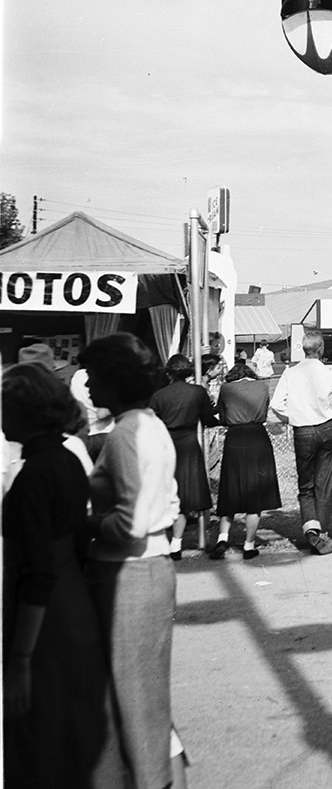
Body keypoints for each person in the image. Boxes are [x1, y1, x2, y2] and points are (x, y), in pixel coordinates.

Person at [2, 362, 121, 789]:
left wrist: (19, 659)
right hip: (72, 606)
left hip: (44, 617)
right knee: (74, 730)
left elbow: (37, 571)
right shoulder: (66, 459)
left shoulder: (34, 474)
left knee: (43, 740)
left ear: (24, 412)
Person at [80, 333, 188, 789]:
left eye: (94, 379)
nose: (86, 388)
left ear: (116, 381)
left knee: (135, 701)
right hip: (147, 569)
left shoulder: (128, 434)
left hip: (130, 574)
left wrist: (83, 521)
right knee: (146, 701)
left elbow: (131, 524)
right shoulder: (145, 425)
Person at [271, 331, 332, 556]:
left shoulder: (290, 373)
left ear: (303, 349)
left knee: (306, 484)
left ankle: (311, 528)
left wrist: (292, 417)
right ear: (322, 348)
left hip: (302, 431)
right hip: (326, 429)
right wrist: (329, 416)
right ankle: (322, 530)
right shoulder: (329, 373)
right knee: (324, 483)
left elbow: (277, 403)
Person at [149, 355, 218, 561]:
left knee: (168, 493)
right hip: (189, 443)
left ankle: (167, 541)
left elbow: (151, 422)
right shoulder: (197, 392)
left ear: (169, 373)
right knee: (190, 493)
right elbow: (208, 419)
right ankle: (178, 542)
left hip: (167, 444)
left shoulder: (159, 395)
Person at [211, 360, 281, 560]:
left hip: (235, 438)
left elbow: (223, 416)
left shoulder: (226, 389)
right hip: (258, 437)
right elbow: (266, 411)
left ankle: (222, 539)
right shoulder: (262, 386)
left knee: (230, 488)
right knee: (255, 495)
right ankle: (249, 544)